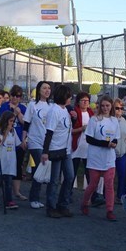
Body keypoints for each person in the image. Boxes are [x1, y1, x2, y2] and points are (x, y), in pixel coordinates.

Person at [81, 95, 121, 221]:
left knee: (109, 184)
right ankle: (85, 202)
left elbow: (116, 137)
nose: (105, 108)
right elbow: (89, 138)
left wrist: (113, 143)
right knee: (93, 184)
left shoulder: (115, 121)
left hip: (109, 157)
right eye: (103, 106)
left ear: (111, 106)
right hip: (95, 157)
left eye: (107, 106)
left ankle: (110, 210)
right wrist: (105, 144)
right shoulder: (94, 120)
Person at [41, 84, 75, 218]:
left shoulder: (65, 110)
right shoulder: (54, 111)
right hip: (55, 149)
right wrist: (45, 151)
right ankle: (51, 207)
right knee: (54, 180)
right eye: (68, 96)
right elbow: (49, 132)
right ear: (63, 96)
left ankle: (63, 205)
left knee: (70, 176)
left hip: (66, 149)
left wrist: (73, 118)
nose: (70, 98)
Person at [22, 80, 52, 209]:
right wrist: (24, 139)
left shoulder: (52, 106)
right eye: (44, 88)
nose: (47, 90)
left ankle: (36, 197)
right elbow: (26, 123)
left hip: (48, 143)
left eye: (49, 88)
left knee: (39, 169)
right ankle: (34, 198)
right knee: (41, 165)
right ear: (39, 90)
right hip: (34, 141)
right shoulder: (32, 105)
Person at [0, 85, 28, 201]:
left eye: (18, 96)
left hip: (18, 141)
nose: (15, 98)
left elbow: (25, 123)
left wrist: (19, 113)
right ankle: (2, 188)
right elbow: (2, 122)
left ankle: (16, 191)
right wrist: (13, 114)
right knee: (5, 164)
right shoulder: (4, 107)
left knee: (18, 166)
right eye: (13, 95)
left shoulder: (23, 108)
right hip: (6, 140)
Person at [71, 92, 99, 204]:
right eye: (83, 100)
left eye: (87, 101)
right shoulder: (74, 114)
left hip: (88, 147)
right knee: (73, 171)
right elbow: (70, 131)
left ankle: (94, 196)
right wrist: (81, 129)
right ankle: (68, 193)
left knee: (90, 173)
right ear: (78, 102)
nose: (85, 102)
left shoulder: (91, 114)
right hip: (77, 146)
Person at [0, 111, 21, 209]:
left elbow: (17, 143)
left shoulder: (13, 131)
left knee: (8, 181)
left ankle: (9, 201)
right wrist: (6, 132)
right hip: (1, 160)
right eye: (11, 121)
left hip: (10, 160)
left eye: (13, 121)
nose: (12, 123)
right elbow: (0, 144)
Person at [113, 98, 126, 204]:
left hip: (122, 152)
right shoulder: (110, 120)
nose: (119, 110)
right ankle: (107, 195)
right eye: (117, 108)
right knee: (110, 176)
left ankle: (120, 196)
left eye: (121, 108)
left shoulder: (123, 120)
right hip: (111, 152)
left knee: (123, 174)